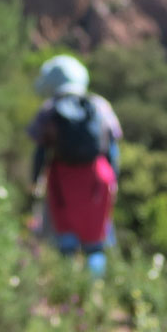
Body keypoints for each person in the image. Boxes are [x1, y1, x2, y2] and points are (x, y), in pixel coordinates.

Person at [28, 54, 121, 277]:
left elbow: (40, 151)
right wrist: (113, 180)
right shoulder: (100, 105)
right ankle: (93, 293)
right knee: (95, 243)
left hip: (62, 181)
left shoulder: (49, 109)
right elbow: (112, 149)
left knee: (65, 242)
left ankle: (67, 293)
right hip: (98, 178)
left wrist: (35, 182)